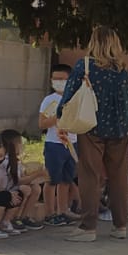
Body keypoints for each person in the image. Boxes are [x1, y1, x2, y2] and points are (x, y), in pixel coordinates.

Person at [57, 26, 128, 242]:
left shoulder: (84, 66)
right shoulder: (125, 70)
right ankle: (120, 225)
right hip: (120, 129)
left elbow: (68, 96)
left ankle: (88, 227)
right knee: (119, 178)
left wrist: (62, 119)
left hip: (92, 126)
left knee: (90, 175)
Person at [39, 64, 80, 225]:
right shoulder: (50, 100)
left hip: (72, 144)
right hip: (54, 145)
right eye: (55, 79)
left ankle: (63, 210)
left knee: (66, 180)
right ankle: (50, 213)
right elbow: (42, 123)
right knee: (52, 180)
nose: (58, 82)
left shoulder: (75, 98)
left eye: (62, 79)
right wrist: (58, 116)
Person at [0, 129, 46, 228]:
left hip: (14, 185)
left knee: (36, 188)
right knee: (26, 189)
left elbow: (22, 176)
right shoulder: (6, 160)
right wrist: (38, 174)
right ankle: (15, 218)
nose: (22, 146)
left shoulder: (16, 159)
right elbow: (18, 181)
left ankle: (24, 217)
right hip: (7, 189)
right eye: (20, 143)